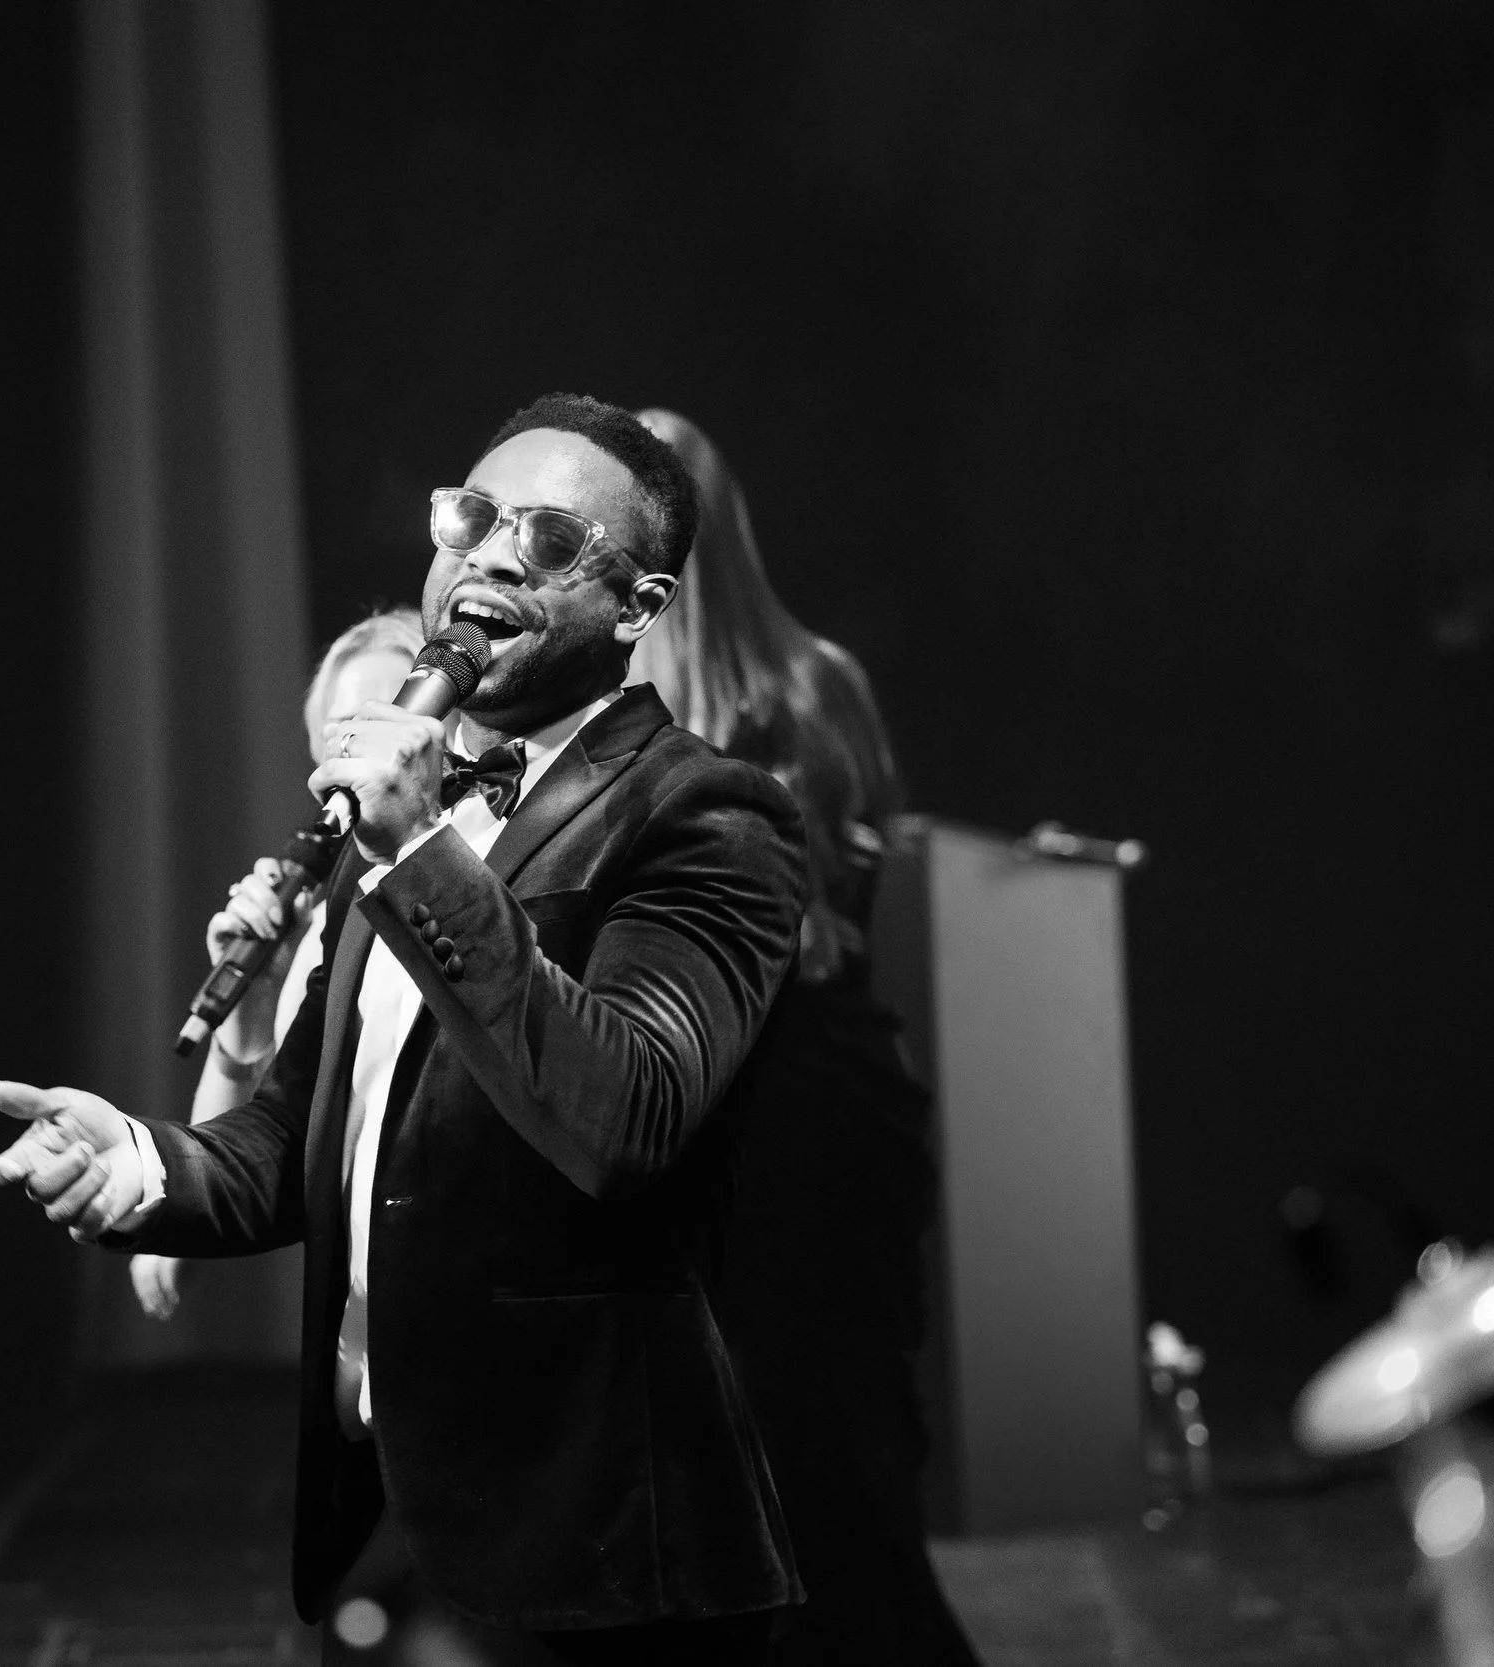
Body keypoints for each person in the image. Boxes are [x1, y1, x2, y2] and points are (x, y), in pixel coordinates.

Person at [0, 393, 809, 1662]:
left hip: (596, 1554)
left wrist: (425, 850)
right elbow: (306, 1127)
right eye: (470, 518)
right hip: (391, 1512)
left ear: (637, 608)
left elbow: (629, 1115)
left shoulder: (704, 816)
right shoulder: (398, 814)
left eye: (544, 541)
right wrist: (141, 1165)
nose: (485, 553)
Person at [631, 410, 980, 1667]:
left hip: (740, 1114)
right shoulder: (822, 680)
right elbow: (868, 862)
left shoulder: (612, 713)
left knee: (761, 1483)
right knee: (842, 1471)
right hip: (833, 1097)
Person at [130, 607, 426, 1322]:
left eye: (387, 723)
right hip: (356, 1348)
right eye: (346, 736)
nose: (367, 758)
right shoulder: (329, 922)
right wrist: (251, 1016)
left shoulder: (491, 894)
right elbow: (244, 1175)